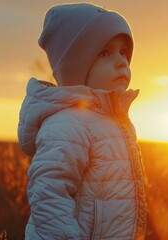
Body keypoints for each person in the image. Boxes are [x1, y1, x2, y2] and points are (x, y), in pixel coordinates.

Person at [17, 3, 147, 239]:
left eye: (123, 52)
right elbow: (49, 197)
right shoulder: (67, 125)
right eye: (105, 52)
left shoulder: (113, 122)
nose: (121, 62)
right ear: (77, 66)